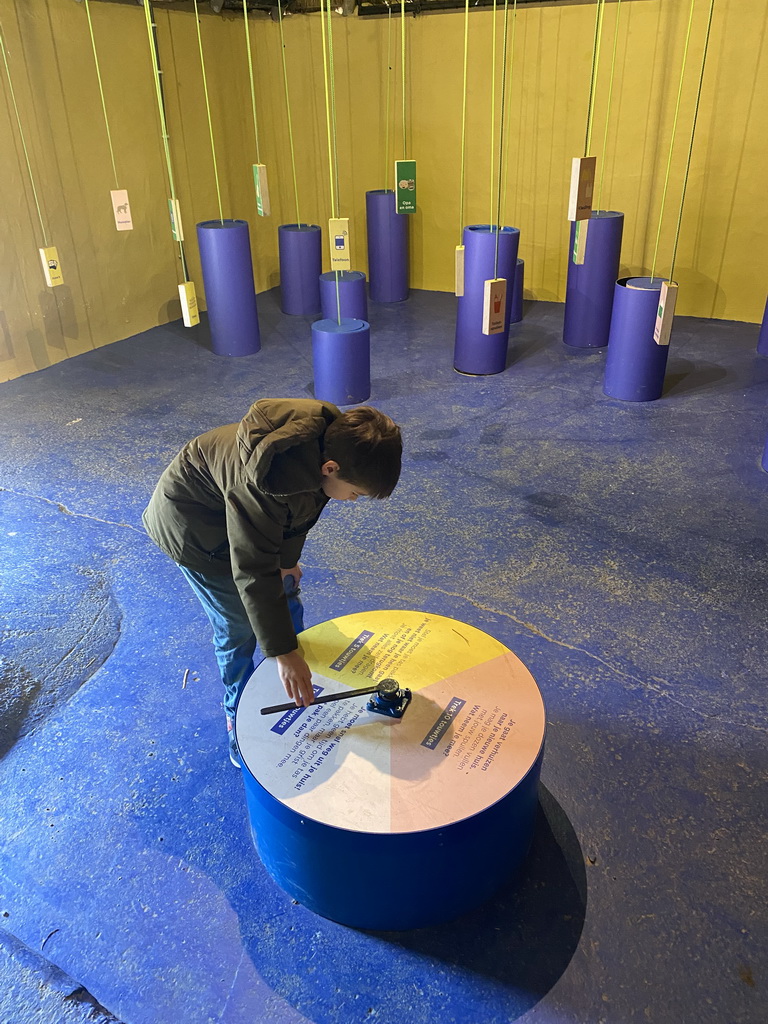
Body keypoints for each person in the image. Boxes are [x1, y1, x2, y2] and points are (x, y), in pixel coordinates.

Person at [142, 398, 402, 766]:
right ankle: (238, 711)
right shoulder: (263, 481)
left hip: (240, 515)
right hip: (195, 530)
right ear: (330, 467)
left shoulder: (330, 447)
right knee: (237, 625)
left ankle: (290, 663)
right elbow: (252, 568)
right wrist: (282, 650)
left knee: (285, 589)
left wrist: (288, 562)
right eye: (356, 492)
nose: (353, 500)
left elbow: (300, 513)